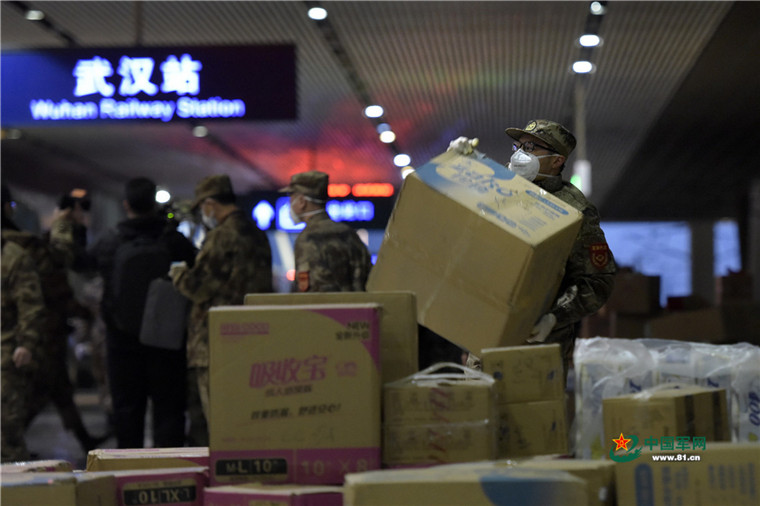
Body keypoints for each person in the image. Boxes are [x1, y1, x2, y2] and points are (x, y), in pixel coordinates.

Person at [449, 119, 616, 374]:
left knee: (530, 401)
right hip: (486, 338)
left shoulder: (574, 211)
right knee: (479, 398)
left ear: (557, 160)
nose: (519, 154)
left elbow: (597, 281)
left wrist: (554, 318)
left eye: (530, 148)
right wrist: (456, 163)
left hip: (539, 348)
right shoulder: (498, 187)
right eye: (518, 146)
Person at [87, 177, 197, 448]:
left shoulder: (110, 242)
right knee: (169, 410)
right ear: (154, 204)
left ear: (126, 205)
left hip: (122, 341)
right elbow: (198, 270)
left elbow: (82, 263)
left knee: (127, 411)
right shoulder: (173, 240)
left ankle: (130, 467)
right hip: (167, 342)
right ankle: (170, 466)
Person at [171, 174, 273, 445]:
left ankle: (226, 465)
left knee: (219, 418)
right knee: (248, 414)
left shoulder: (221, 237)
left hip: (216, 340)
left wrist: (178, 272)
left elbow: (199, 287)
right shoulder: (257, 234)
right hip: (254, 337)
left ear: (210, 204)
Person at [1, 187, 45, 462]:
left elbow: (30, 303)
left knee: (6, 432)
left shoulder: (13, 255)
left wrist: (26, 343)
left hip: (5, 353)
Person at [279, 170, 372, 292]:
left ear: (302, 201)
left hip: (324, 305)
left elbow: (308, 291)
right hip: (357, 304)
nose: (290, 204)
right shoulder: (350, 234)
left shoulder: (307, 238)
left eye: (291, 198)